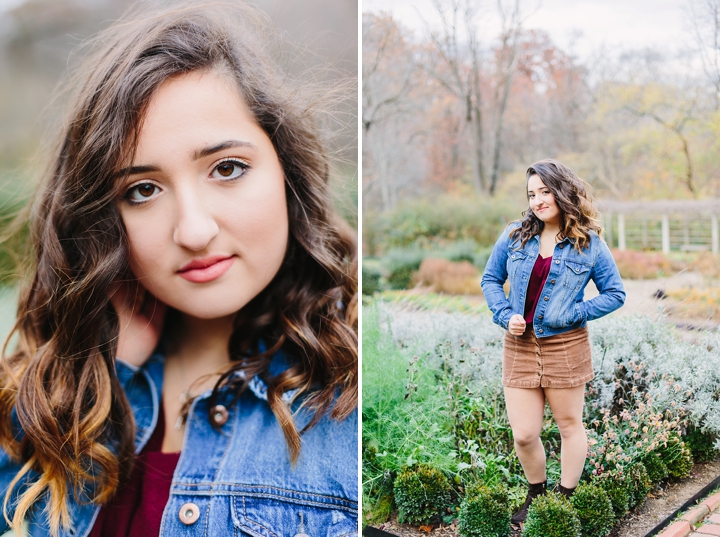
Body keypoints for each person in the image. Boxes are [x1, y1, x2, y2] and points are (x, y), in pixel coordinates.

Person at [0, 3, 358, 537]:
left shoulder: (354, 393)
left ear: (286, 170)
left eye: (227, 168)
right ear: (102, 218)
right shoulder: (45, 395)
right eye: (143, 190)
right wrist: (103, 370)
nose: (193, 230)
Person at [480, 159, 625, 526]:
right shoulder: (515, 235)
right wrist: (503, 314)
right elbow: (490, 280)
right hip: (520, 346)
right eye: (532, 194)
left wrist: (574, 311)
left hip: (566, 346)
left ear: (562, 192)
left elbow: (615, 293)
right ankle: (537, 494)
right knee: (525, 433)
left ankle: (564, 497)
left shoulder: (589, 244)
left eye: (545, 191)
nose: (538, 200)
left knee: (568, 425)